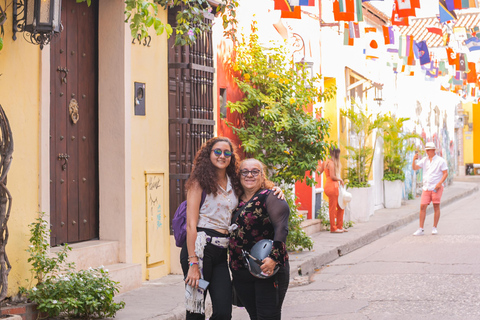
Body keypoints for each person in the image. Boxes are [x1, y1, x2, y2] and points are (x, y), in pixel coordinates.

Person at [181, 137, 284, 320]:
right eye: (217, 152)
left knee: (223, 312)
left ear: (231, 156)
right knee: (196, 310)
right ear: (209, 154)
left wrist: (275, 189)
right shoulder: (199, 182)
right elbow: (190, 225)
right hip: (200, 251)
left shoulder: (233, 180)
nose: (222, 156)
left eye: (227, 152)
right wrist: (193, 263)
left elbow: (253, 182)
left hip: (220, 254)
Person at [229, 158, 290, 320]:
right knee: (255, 316)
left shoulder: (271, 197)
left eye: (255, 171)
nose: (250, 175)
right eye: (245, 171)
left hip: (268, 268)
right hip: (240, 270)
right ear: (239, 175)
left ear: (262, 176)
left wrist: (273, 258)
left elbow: (282, 229)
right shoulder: (233, 200)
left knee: (268, 316)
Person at [412, 142, 448, 236]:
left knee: (436, 206)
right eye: (426, 150)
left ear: (433, 150)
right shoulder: (424, 160)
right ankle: (421, 229)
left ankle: (434, 227)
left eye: (428, 150)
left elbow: (445, 173)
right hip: (426, 187)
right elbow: (415, 168)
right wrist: (414, 160)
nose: (427, 152)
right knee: (422, 206)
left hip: (436, 187)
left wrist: (440, 183)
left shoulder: (440, 161)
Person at [323, 147, 346, 233]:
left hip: (331, 186)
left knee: (341, 206)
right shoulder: (331, 163)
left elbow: (319, 171)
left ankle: (339, 226)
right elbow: (332, 177)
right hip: (332, 186)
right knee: (333, 208)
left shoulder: (326, 162)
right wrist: (340, 179)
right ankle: (333, 228)